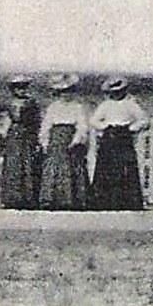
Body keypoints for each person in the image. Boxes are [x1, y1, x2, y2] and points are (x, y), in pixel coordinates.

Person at [89, 77, 151, 210]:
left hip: (123, 137)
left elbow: (144, 120)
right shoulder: (105, 105)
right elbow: (94, 121)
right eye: (114, 92)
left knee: (125, 167)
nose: (117, 94)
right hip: (109, 137)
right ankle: (105, 201)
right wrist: (105, 126)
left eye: (120, 91)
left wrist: (130, 128)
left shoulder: (131, 105)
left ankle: (127, 201)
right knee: (107, 168)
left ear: (124, 90)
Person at [37, 75, 90, 210]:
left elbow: (82, 126)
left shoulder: (78, 107)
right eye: (63, 92)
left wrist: (76, 140)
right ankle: (50, 198)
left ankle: (72, 199)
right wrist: (44, 141)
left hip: (70, 137)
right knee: (53, 167)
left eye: (69, 91)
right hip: (56, 140)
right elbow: (46, 126)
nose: (66, 95)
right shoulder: (53, 107)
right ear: (58, 93)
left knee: (72, 167)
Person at [0, 77, 42, 209]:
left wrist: (35, 135)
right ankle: (12, 197)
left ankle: (28, 197)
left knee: (27, 163)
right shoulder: (10, 104)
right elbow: (6, 122)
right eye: (18, 88)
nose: (21, 91)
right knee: (13, 164)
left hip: (27, 135)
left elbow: (37, 121)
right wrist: (4, 136)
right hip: (14, 135)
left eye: (24, 88)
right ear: (13, 90)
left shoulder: (31, 103)